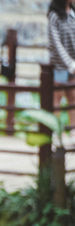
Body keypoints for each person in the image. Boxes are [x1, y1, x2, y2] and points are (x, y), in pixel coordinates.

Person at [48, 0, 75, 130]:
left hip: (74, 67)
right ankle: (57, 133)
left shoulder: (73, 13)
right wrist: (70, 63)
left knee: (73, 99)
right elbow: (56, 44)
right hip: (60, 66)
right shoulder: (54, 16)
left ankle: (73, 132)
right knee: (56, 100)